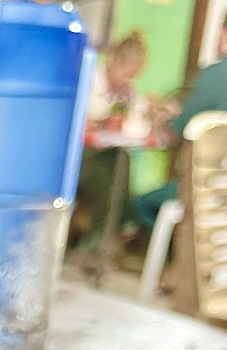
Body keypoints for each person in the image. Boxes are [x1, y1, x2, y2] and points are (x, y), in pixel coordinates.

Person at [132, 7, 227, 234]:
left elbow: (173, 136)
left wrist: (162, 118)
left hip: (209, 191)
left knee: (141, 204)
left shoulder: (215, 75)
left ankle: (175, 263)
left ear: (226, 34)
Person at [71, 31, 148, 254]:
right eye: (128, 74)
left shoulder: (125, 93)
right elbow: (80, 117)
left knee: (118, 162)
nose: (129, 81)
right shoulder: (90, 78)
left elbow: (131, 118)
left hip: (102, 152)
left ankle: (104, 237)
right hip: (77, 155)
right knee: (113, 172)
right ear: (115, 61)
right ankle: (114, 231)